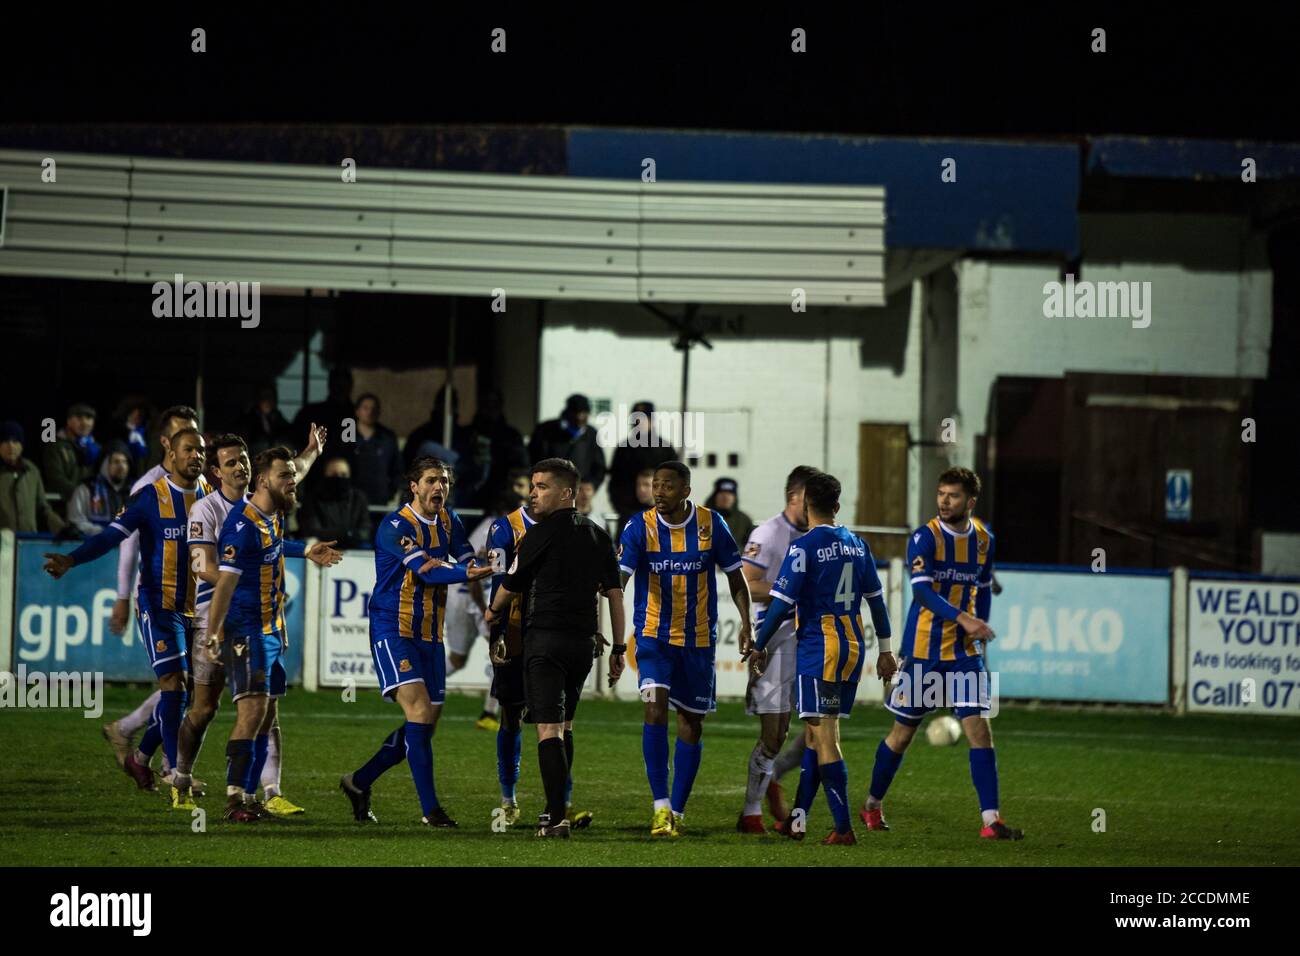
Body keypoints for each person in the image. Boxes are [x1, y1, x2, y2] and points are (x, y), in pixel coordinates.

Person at [44, 428, 211, 795]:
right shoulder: (151, 496)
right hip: (157, 604)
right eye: (189, 450)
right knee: (174, 685)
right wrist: (72, 559)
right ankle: (174, 772)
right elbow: (112, 536)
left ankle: (139, 755)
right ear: (172, 454)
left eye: (201, 450)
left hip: (194, 609)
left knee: (196, 697)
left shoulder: (210, 496)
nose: (196, 456)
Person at [863, 466, 1024, 841]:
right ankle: (871, 804)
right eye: (940, 494)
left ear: (970, 501)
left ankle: (991, 820)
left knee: (979, 731)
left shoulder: (984, 539)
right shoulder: (925, 538)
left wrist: (979, 624)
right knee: (902, 735)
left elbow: (983, 587)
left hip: (965, 653)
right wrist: (965, 618)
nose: (944, 501)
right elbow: (921, 592)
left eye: (952, 496)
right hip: (924, 651)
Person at [178, 430, 326, 814]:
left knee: (266, 712)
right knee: (225, 709)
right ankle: (217, 790)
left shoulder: (270, 509)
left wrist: (312, 451)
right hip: (236, 625)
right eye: (231, 462)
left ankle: (262, 794)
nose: (292, 483)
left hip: (268, 627)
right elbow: (219, 576)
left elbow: (290, 475)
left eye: (243, 459)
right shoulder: (228, 520)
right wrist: (213, 631)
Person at [339, 457, 491, 828]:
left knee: (424, 725)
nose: (439, 487)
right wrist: (467, 571)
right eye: (431, 480)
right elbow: (426, 569)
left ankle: (358, 782)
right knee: (420, 713)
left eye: (444, 481)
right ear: (414, 486)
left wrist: (477, 564)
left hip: (429, 634)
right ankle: (431, 811)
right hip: (394, 629)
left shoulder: (448, 519)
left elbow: (465, 552)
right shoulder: (395, 526)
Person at [746, 471, 892, 845]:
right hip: (852, 648)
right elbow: (877, 601)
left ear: (807, 505)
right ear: (837, 507)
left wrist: (759, 644)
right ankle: (798, 818)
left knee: (824, 739)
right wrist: (887, 651)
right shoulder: (858, 545)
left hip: (819, 649)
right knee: (816, 736)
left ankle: (843, 828)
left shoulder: (804, 547)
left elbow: (780, 605)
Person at [484, 458, 625, 838]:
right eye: (533, 485)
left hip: (545, 642)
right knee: (564, 726)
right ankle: (553, 808)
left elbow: (510, 584)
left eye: (542, 486)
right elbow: (614, 593)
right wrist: (619, 647)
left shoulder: (538, 535)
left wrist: (492, 612)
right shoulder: (598, 534)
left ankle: (557, 817)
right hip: (583, 646)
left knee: (547, 729)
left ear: (567, 493)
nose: (533, 493)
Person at [617, 460, 750, 837]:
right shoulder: (638, 527)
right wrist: (608, 620)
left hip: (699, 640)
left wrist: (746, 624)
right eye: (655, 484)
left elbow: (736, 577)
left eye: (668, 486)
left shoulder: (712, 524)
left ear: (686, 490)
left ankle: (677, 809)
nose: (659, 491)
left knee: (691, 724)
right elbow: (621, 578)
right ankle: (660, 807)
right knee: (654, 709)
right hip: (653, 636)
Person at [735, 464, 820, 833]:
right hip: (775, 644)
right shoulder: (768, 534)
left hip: (814, 641)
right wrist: (788, 587)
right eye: (810, 499)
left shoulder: (821, 535)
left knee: (821, 728)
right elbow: (746, 584)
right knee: (775, 733)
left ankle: (776, 783)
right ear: (794, 498)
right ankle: (751, 811)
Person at [447, 490, 520, 731]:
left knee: (457, 660)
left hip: (460, 598)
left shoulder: (484, 529)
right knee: (503, 654)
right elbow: (476, 574)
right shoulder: (499, 531)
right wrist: (486, 609)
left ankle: (419, 684)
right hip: (477, 598)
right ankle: (489, 713)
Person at [608, 401, 678, 529]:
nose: (638, 423)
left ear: (652, 421)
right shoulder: (624, 449)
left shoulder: (665, 449)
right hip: (629, 514)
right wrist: (622, 508)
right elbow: (614, 482)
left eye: (642, 418)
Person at [463, 388, 529, 509]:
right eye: (487, 404)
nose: (490, 409)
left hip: (501, 496)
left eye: (494, 404)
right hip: (470, 495)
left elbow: (521, 467)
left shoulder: (511, 436)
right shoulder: (468, 434)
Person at [527, 394, 606, 493]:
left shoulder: (591, 434)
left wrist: (591, 486)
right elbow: (531, 461)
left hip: (578, 495)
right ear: (568, 412)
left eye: (584, 413)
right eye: (576, 413)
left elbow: (599, 467)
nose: (580, 417)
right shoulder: (545, 430)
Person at [1, 421, 67, 534]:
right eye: (6, 441)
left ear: (21, 445)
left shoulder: (32, 471)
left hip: (27, 541)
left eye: (15, 441)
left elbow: (43, 508)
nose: (11, 445)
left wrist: (63, 528)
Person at [298, 455, 372, 549]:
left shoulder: (358, 498)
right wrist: (347, 533)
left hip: (353, 551)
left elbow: (365, 531)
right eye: (334, 474)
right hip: (322, 551)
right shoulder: (312, 499)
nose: (339, 478)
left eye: (344, 475)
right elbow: (312, 530)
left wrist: (338, 535)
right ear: (325, 475)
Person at [66, 440, 132, 537]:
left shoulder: (135, 491)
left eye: (125, 462)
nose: (121, 466)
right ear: (104, 465)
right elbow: (76, 521)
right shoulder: (86, 489)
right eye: (116, 462)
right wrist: (104, 532)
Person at [42, 402, 101, 505]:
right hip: (63, 507)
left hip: (90, 507)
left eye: (89, 418)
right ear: (68, 421)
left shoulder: (97, 448)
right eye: (79, 418)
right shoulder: (55, 446)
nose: (84, 423)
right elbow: (55, 479)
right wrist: (81, 493)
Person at [350, 393, 402, 506]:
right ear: (357, 411)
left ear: (378, 412)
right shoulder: (346, 438)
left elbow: (397, 469)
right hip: (351, 501)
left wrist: (390, 492)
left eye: (374, 409)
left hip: (379, 500)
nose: (370, 412)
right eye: (365, 408)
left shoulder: (388, 438)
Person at [236, 384, 294, 456]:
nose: (267, 401)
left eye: (270, 397)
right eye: (264, 397)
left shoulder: (279, 419)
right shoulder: (248, 420)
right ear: (258, 399)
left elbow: (288, 438)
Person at [704, 476, 754, 549]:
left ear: (734, 498)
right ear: (715, 496)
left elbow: (753, 546)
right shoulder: (701, 517)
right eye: (722, 493)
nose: (725, 497)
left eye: (730, 494)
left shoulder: (744, 520)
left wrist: (748, 558)